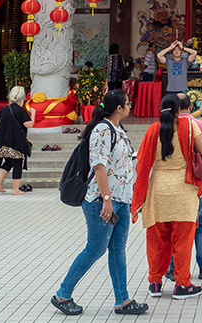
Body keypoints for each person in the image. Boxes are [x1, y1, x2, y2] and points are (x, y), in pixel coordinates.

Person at [50, 90, 148, 316]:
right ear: (118, 109)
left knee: (117, 250)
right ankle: (62, 294)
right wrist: (106, 199)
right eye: (127, 103)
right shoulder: (103, 129)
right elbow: (99, 166)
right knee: (96, 249)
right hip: (101, 202)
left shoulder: (118, 130)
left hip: (122, 201)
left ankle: (122, 301)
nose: (130, 106)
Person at [131, 94, 202, 300]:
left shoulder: (152, 130)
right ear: (178, 111)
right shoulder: (190, 127)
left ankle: (155, 283)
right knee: (183, 242)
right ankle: (182, 285)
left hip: (157, 191)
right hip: (183, 190)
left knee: (157, 241)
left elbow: (141, 163)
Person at [164, 92, 202, 282]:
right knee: (200, 223)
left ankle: (172, 267)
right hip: (194, 182)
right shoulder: (200, 125)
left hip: (171, 181)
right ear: (191, 106)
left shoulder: (166, 126)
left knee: (174, 225)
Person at [0, 85, 35, 194]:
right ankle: (16, 189)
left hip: (2, 142)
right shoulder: (21, 111)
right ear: (22, 98)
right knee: (17, 163)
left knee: (8, 162)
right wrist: (33, 115)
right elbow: (29, 124)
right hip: (16, 142)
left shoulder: (3, 110)